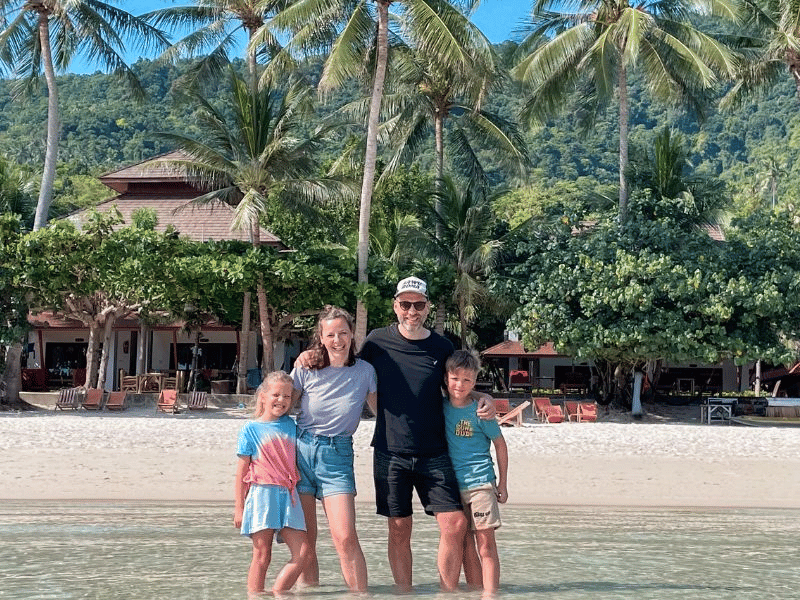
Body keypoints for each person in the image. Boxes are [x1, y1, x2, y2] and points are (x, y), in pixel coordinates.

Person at [359, 276, 494, 591]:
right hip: (389, 451)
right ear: (395, 306)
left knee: (455, 524)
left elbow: (456, 385)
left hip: (435, 451)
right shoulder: (376, 342)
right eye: (405, 304)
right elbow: (353, 375)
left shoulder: (442, 346)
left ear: (428, 307)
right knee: (399, 527)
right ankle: (404, 594)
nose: (412, 311)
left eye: (418, 304)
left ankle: (447, 594)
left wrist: (482, 396)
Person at [290, 306, 376, 592]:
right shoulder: (305, 366)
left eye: (343, 333)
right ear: (321, 337)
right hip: (300, 452)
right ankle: (309, 593)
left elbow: (385, 412)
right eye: (330, 335)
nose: (337, 340)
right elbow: (282, 403)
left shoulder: (365, 371)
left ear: (352, 335)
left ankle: (360, 596)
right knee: (306, 540)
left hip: (337, 455)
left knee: (345, 536)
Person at [233, 371, 310, 594]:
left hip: (289, 495)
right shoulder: (251, 429)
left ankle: (278, 593)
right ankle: (255, 595)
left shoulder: (293, 426)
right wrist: (239, 508)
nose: (281, 400)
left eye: (287, 396)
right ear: (263, 396)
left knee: (303, 552)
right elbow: (241, 473)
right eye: (276, 394)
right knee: (262, 554)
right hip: (261, 495)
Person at [442, 350, 508, 593]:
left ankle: (490, 595)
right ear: (446, 378)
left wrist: (502, 484)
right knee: (464, 543)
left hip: (481, 484)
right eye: (455, 379)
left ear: (474, 381)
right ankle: (473, 591)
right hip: (452, 486)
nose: (460, 385)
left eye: (467, 380)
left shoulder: (481, 411)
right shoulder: (441, 408)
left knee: (485, 545)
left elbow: (500, 444)